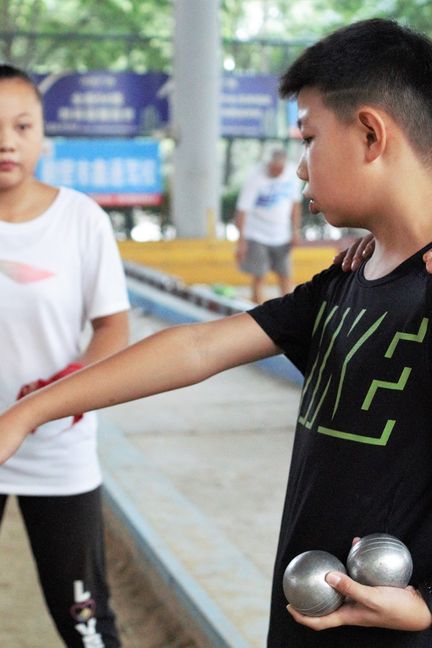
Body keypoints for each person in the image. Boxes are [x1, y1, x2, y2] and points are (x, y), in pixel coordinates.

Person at [2, 18, 432, 647]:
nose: (301, 172)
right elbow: (197, 346)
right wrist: (28, 412)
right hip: (303, 620)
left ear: (370, 133)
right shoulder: (343, 282)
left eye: (309, 138)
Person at [0, 65, 130, 647]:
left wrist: (67, 386)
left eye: (22, 125)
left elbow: (113, 328)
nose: (6, 140)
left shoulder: (80, 218)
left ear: (42, 134)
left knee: (85, 623)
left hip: (57, 447)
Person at [234, 147, 302, 303]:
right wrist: (241, 242)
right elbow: (242, 211)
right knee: (259, 275)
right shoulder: (255, 177)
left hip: (281, 234)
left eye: (280, 169)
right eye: (273, 169)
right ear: (267, 165)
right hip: (257, 234)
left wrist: (295, 231)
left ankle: (289, 311)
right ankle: (257, 310)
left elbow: (295, 205)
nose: (277, 172)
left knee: (285, 275)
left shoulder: (292, 173)